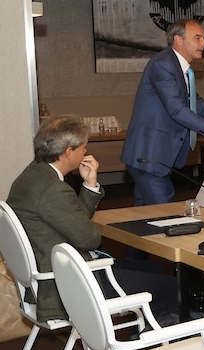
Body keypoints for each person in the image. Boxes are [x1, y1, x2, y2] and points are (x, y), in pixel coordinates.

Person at [8, 117, 177, 321]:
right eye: (83, 148)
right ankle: (151, 336)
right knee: (173, 287)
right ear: (69, 152)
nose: (85, 152)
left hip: (50, 272)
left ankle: (146, 329)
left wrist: (89, 184)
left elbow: (73, 220)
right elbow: (89, 239)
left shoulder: (30, 176)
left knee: (153, 269)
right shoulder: (53, 189)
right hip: (69, 284)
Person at [120, 19, 204, 205]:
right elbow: (177, 110)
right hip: (150, 156)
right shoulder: (163, 64)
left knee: (144, 215)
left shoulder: (178, 66)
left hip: (154, 157)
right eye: (197, 38)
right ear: (178, 40)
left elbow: (196, 103)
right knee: (169, 214)